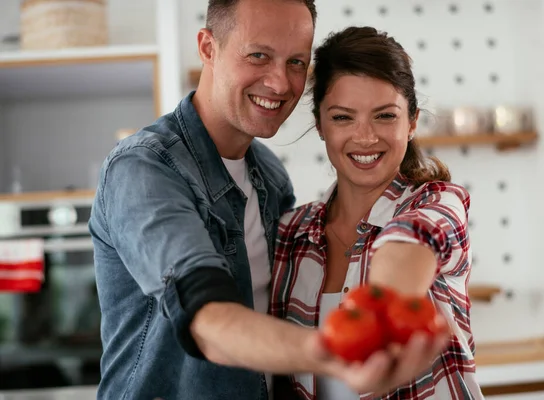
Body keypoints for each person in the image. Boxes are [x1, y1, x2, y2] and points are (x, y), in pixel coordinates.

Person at [88, 1, 450, 399]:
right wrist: (330, 351)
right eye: (259, 55)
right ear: (208, 48)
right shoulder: (143, 168)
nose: (279, 83)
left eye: (296, 62)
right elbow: (207, 318)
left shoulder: (270, 176)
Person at [270, 26, 485, 399]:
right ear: (320, 124)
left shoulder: (438, 202)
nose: (365, 136)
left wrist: (381, 323)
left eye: (385, 116)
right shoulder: (289, 233)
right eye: (342, 118)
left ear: (412, 121)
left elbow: (410, 242)